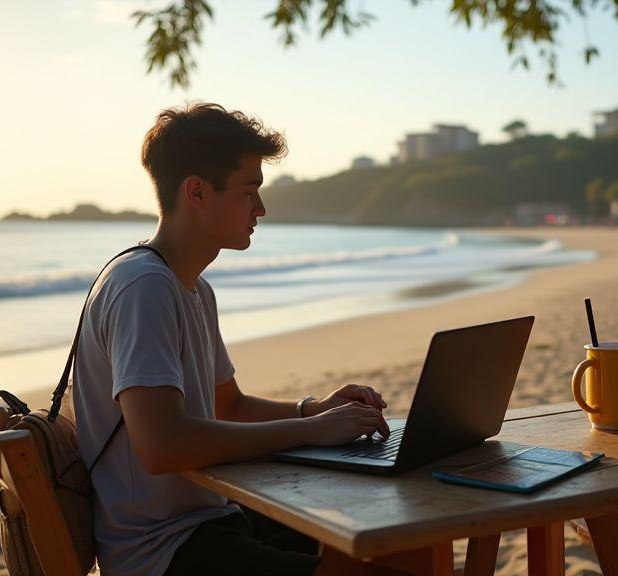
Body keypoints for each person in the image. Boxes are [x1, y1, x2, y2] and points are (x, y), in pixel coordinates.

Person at [72, 103, 406, 576]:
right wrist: (313, 431)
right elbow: (161, 445)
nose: (261, 208)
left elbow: (228, 406)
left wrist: (314, 410)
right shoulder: (143, 287)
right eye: (249, 191)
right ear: (197, 192)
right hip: (162, 552)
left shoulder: (191, 287)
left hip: (214, 520)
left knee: (388, 535)